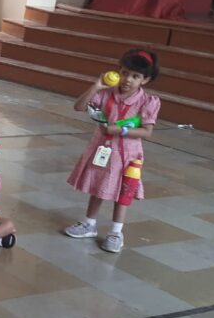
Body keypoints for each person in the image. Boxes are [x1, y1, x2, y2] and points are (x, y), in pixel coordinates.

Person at [64, 49, 161, 253]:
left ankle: (116, 232)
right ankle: (89, 224)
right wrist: (97, 86)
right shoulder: (106, 93)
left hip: (128, 156)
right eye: (124, 73)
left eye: (135, 76)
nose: (128, 79)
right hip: (102, 150)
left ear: (145, 80)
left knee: (122, 193)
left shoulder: (147, 102)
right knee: (97, 187)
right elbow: (79, 107)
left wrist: (121, 130)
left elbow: (147, 131)